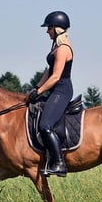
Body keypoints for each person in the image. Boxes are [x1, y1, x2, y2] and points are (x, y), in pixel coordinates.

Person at [28, 11, 74, 177]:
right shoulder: (55, 47)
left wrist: (40, 91)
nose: (47, 31)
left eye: (49, 28)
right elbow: (49, 71)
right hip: (55, 89)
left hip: (62, 90)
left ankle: (60, 164)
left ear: (56, 29)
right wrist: (35, 88)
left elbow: (55, 77)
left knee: (45, 126)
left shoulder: (63, 49)